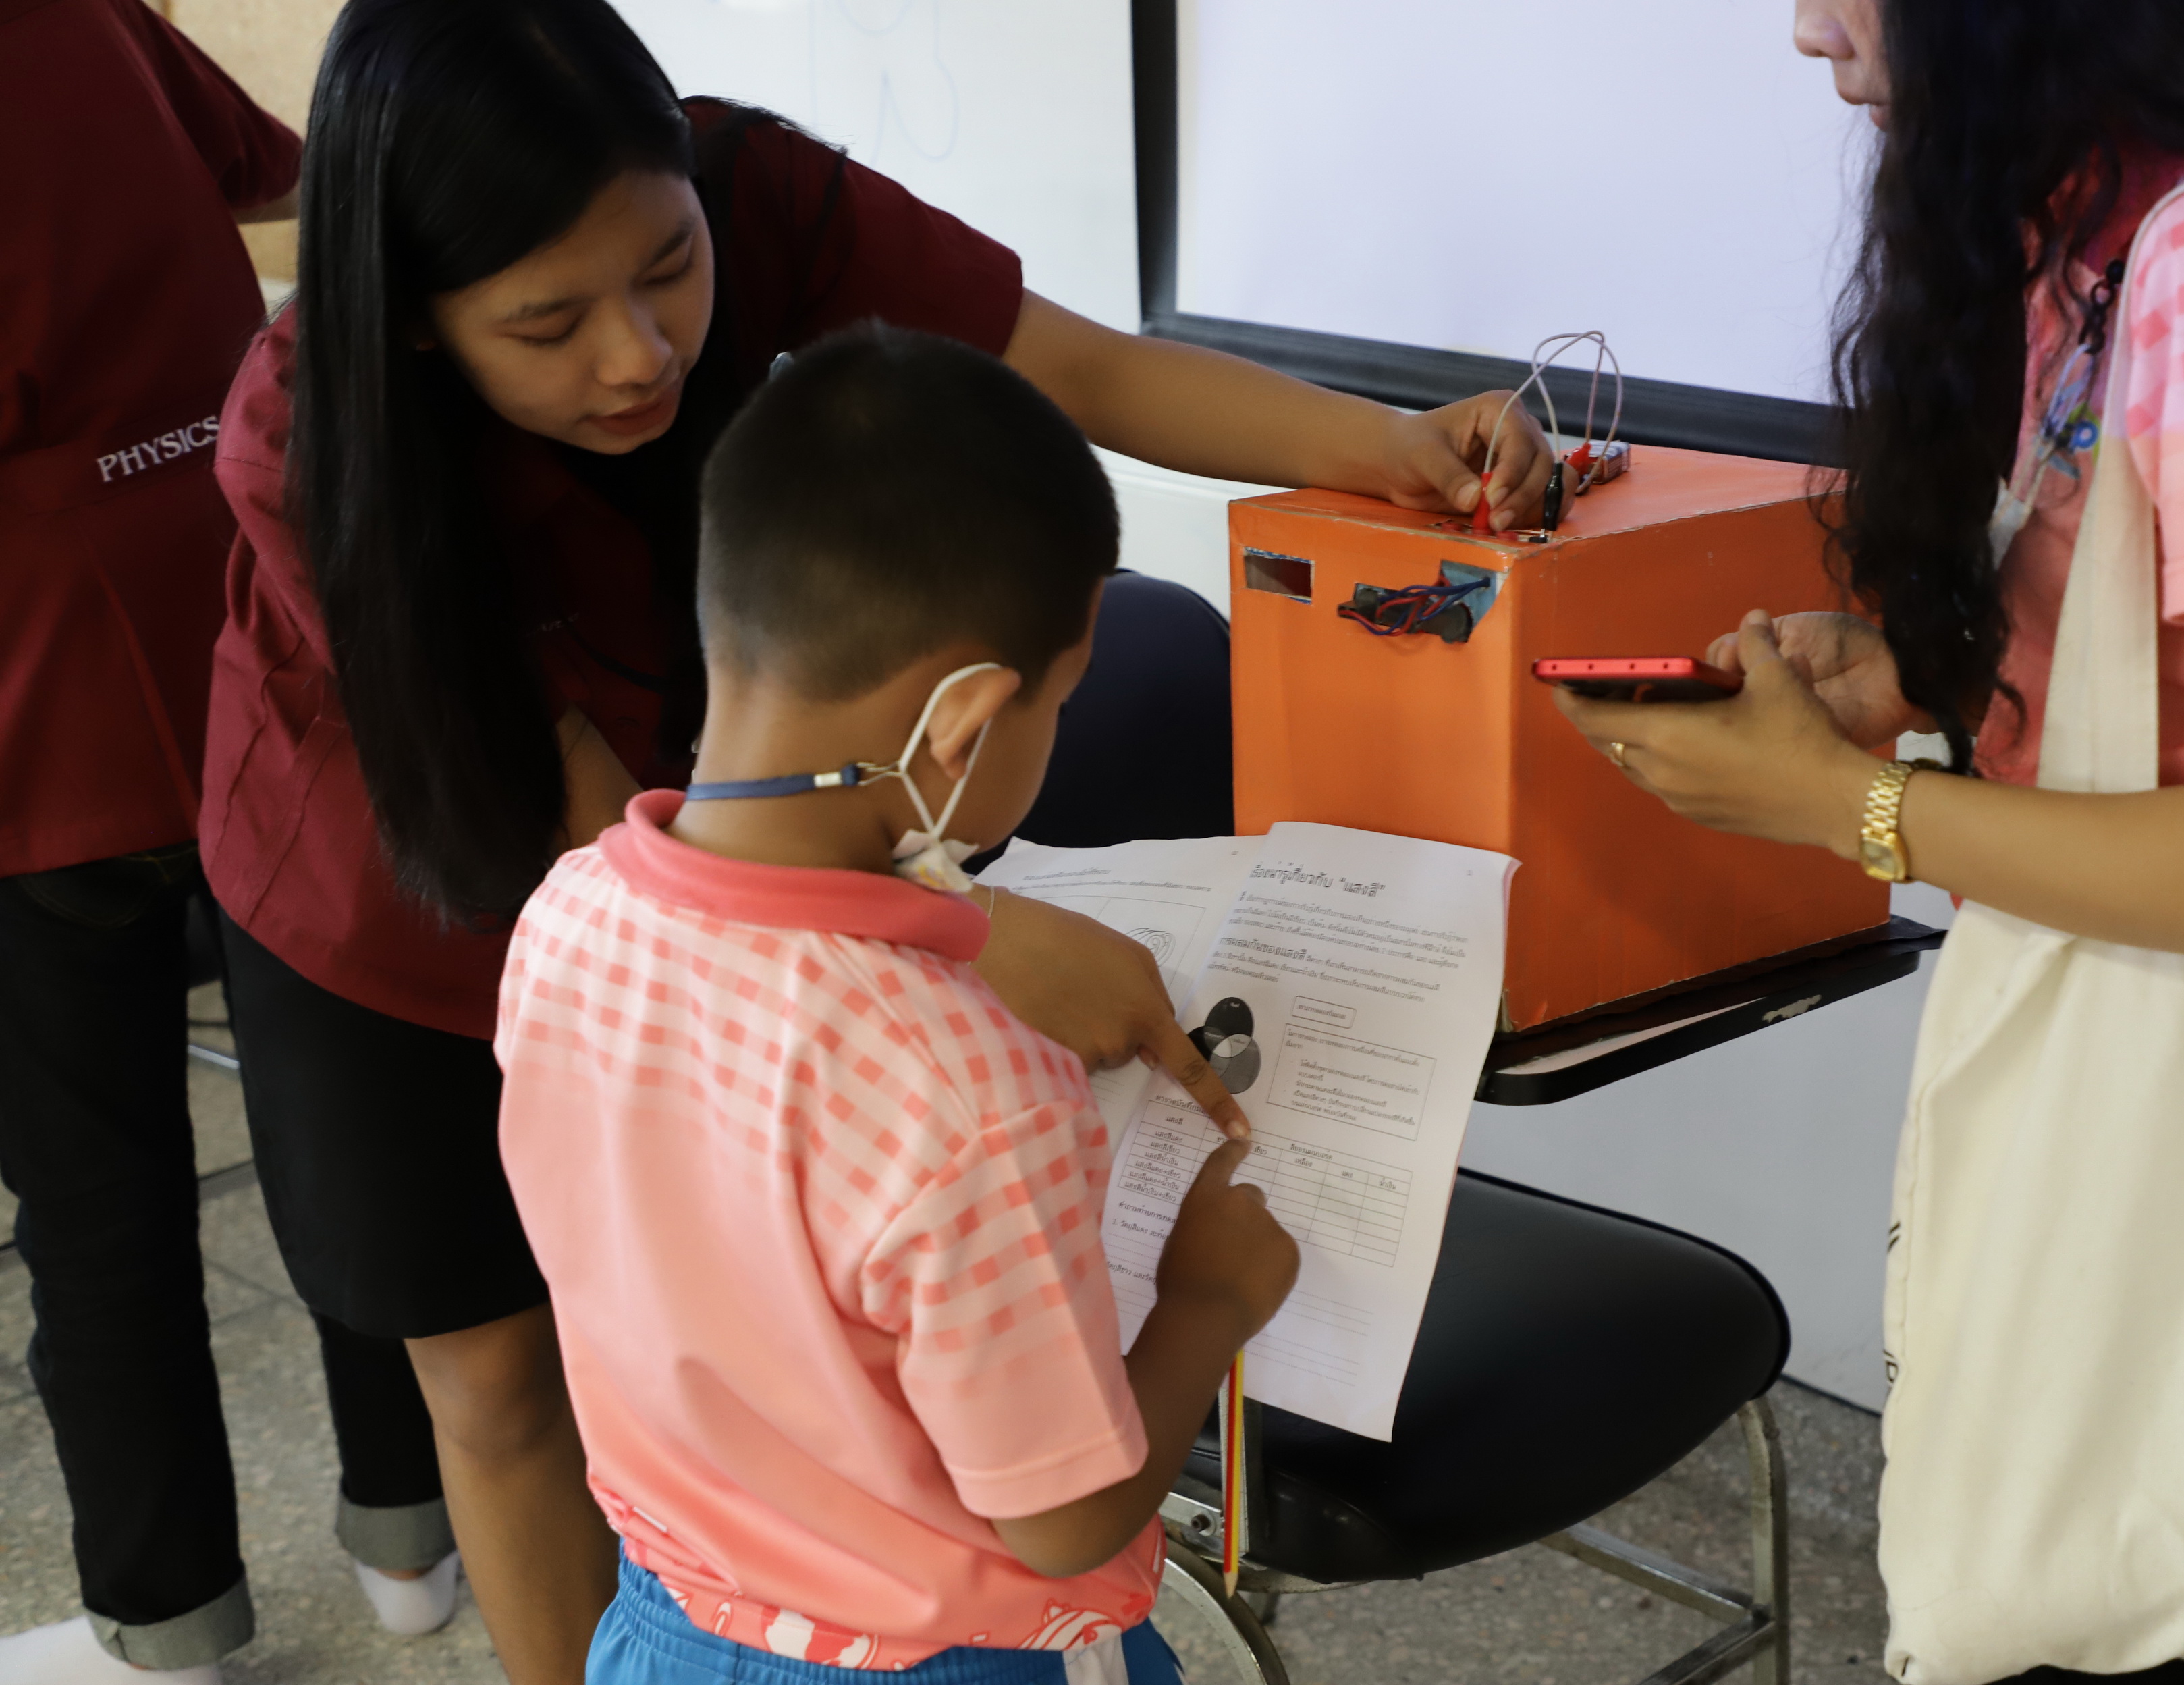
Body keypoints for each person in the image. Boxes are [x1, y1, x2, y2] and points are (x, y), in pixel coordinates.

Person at [198, 1, 1542, 1680]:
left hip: (684, 875)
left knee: (748, 1336)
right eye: (549, 322)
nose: (638, 355)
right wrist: (968, 942)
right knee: (498, 1375)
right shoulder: (303, 447)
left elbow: (1079, 370)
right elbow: (590, 825)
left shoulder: (748, 189)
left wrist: (1391, 449)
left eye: (670, 270)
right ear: (410, 318)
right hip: (411, 880)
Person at [1557, 0, 2184, 1680]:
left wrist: (1854, 810)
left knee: (2144, 1567)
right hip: (2183, 1059)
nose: (1809, 31)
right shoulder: (2112, 234)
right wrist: (1934, 682)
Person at [495, 323, 1298, 1685]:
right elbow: (1063, 1522)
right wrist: (1206, 1305)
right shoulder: (969, 1086)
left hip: (664, 1630)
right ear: (963, 722)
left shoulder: (567, 918)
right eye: (1058, 705)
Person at [0, 3, 460, 1681]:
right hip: (253, 628)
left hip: (34, 712)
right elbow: (280, 173)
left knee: (94, 1199)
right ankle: (418, 1537)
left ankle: (171, 1622)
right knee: (352, 1117)